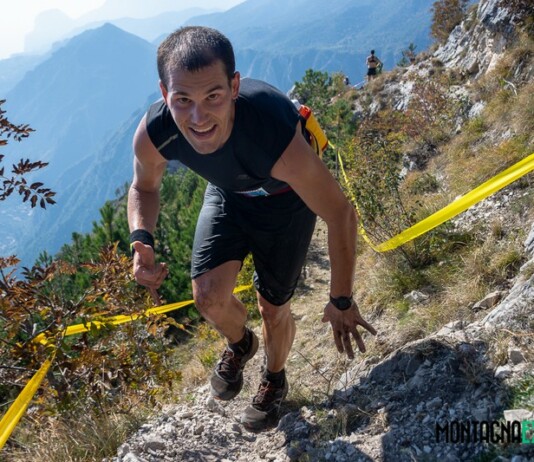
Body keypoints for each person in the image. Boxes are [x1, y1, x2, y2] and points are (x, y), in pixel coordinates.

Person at [127, 26, 377, 429]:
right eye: (183, 100)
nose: (198, 118)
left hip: (286, 202)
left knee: (272, 308)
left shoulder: (272, 134)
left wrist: (342, 299)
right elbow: (143, 187)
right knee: (207, 298)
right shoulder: (157, 132)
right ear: (163, 93)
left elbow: (340, 214)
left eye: (213, 96)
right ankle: (242, 343)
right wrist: (142, 238)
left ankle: (274, 379)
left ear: (234, 86)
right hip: (228, 194)